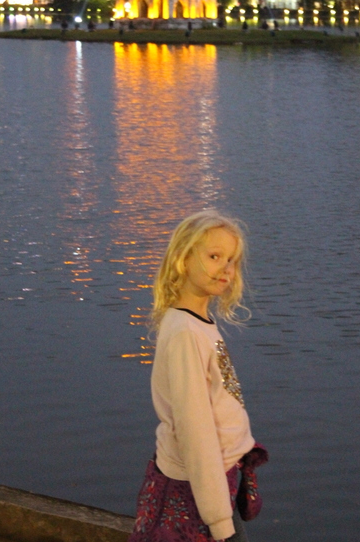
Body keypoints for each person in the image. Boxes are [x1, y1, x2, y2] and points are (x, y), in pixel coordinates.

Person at [129, 211, 266, 542]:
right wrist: (220, 523)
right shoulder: (186, 334)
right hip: (197, 490)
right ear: (183, 259)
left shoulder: (196, 324)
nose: (226, 269)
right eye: (214, 256)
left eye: (232, 260)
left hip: (215, 482)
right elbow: (195, 430)